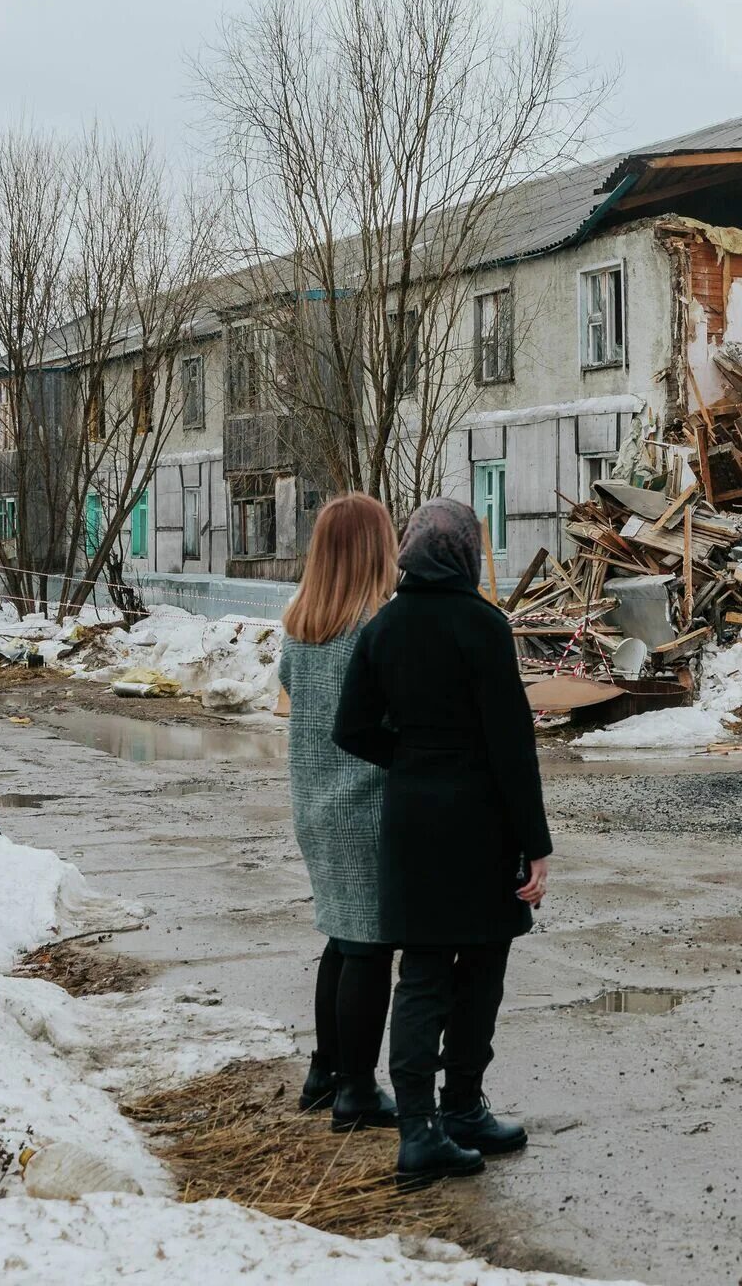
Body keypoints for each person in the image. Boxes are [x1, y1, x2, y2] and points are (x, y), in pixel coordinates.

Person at [334, 496, 553, 1190]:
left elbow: (350, 727)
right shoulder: (483, 625)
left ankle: (420, 1127)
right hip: (480, 823)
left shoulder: (385, 626)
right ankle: (462, 1107)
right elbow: (512, 745)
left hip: (413, 822)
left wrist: (408, 755)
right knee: (481, 964)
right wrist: (535, 842)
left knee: (423, 971)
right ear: (466, 551)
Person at [276, 492, 401, 1134]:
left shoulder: (300, 628)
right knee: (369, 947)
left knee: (341, 938)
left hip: (316, 806)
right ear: (374, 550)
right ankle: (357, 1089)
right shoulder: (378, 630)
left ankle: (325, 1072)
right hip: (367, 806)